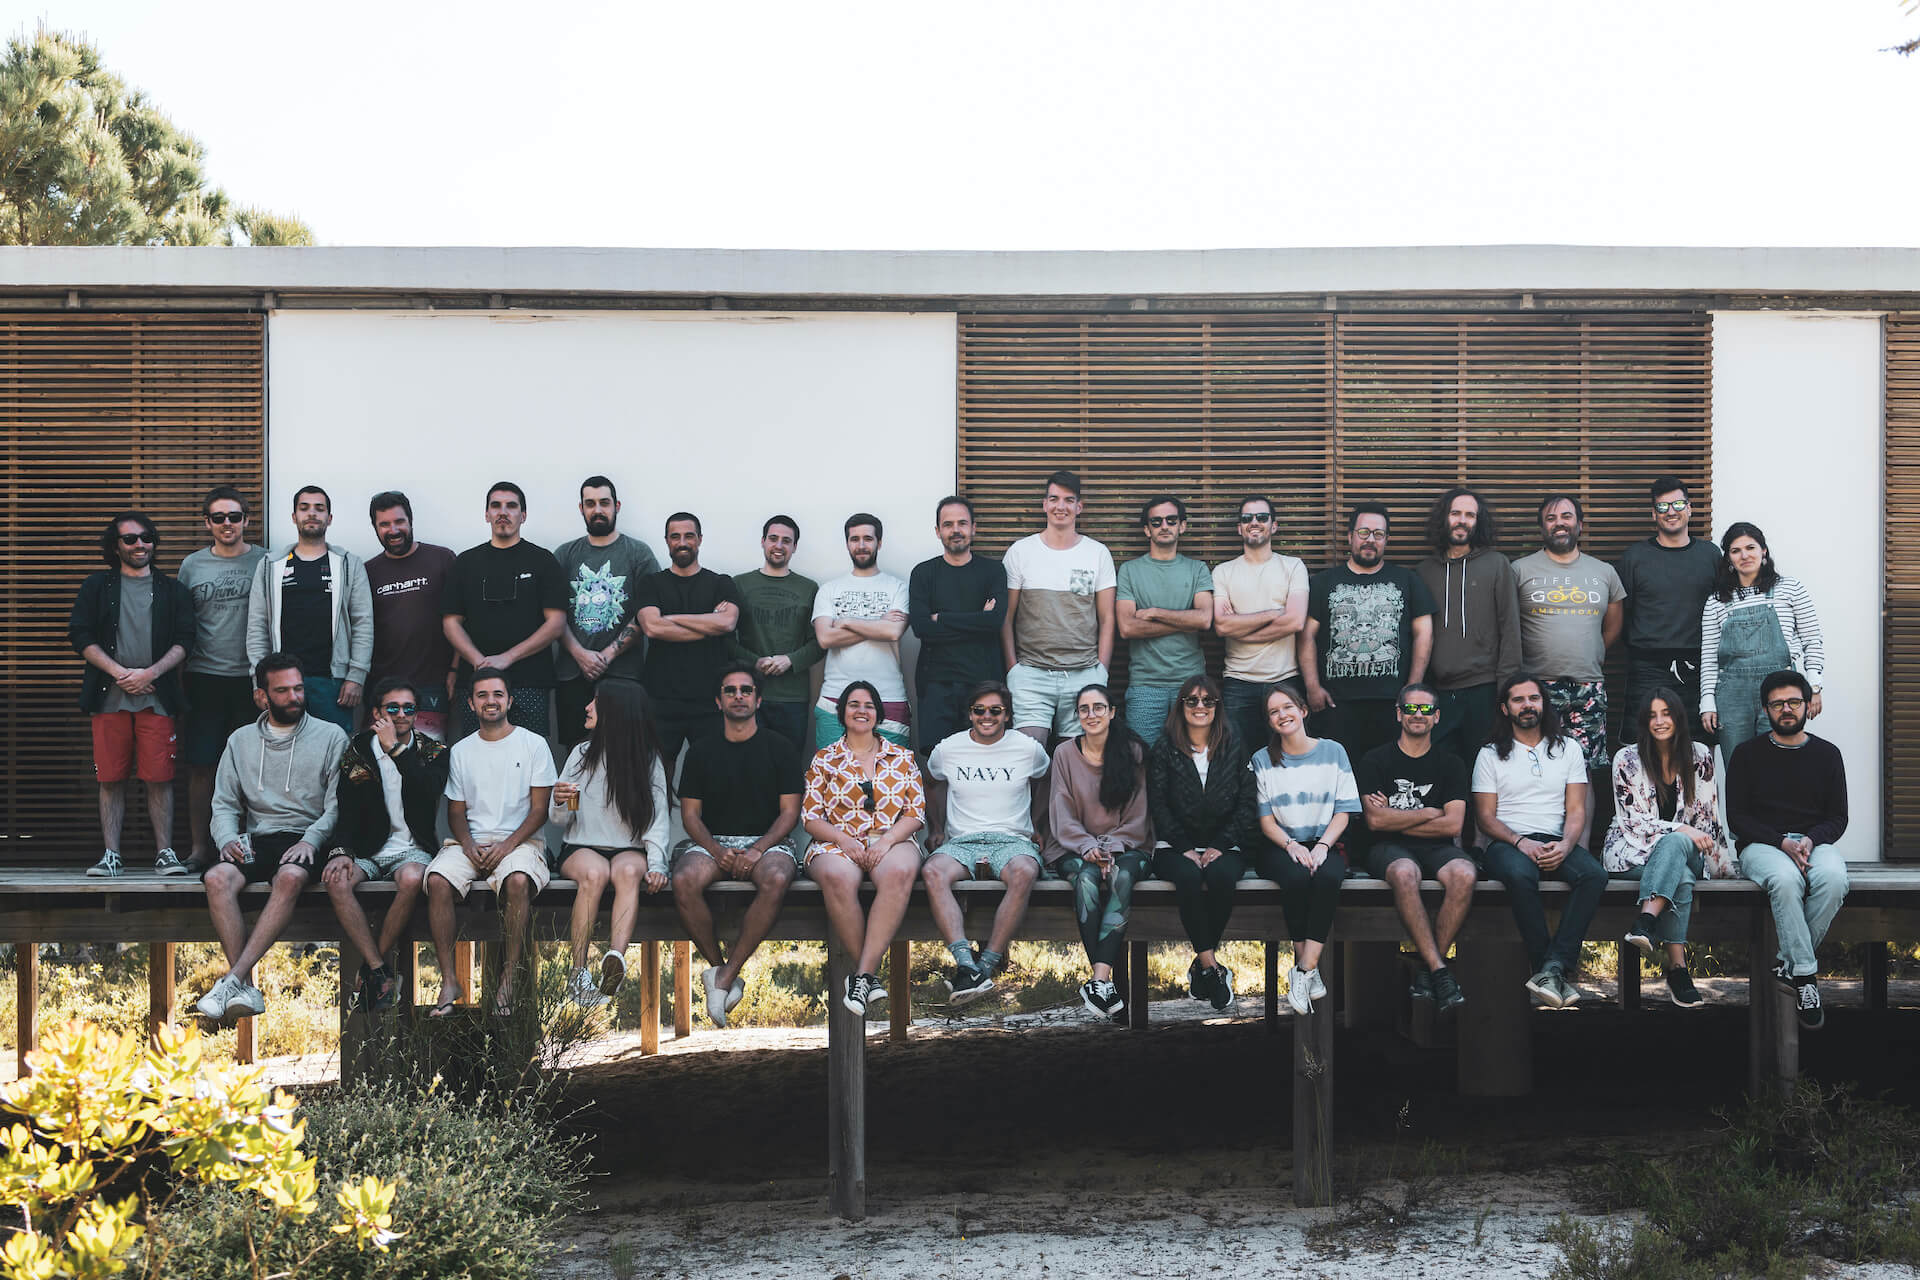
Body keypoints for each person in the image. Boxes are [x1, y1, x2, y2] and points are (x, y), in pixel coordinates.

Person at [195, 654, 348, 1024]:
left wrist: (312, 841)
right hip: (260, 837)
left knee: (291, 876)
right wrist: (227, 838)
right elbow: (225, 803)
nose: (295, 697)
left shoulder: (331, 736)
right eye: (283, 691)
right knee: (216, 878)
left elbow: (337, 806)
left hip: (310, 837)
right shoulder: (240, 741)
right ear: (261, 697)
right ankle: (244, 985)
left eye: (299, 688)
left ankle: (232, 980)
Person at [672, 664, 806, 1027]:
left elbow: (789, 813)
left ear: (758, 700)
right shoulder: (699, 752)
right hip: (713, 843)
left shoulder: (781, 749)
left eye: (746, 690)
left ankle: (725, 978)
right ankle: (720, 968)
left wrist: (757, 850)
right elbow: (690, 816)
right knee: (683, 879)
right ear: (718, 702)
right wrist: (718, 851)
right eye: (730, 691)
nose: (738, 696)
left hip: (768, 843)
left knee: (777, 877)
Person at [425, 670, 557, 1017]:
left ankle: (509, 976)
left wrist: (508, 845)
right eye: (482, 695)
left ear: (510, 700)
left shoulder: (533, 744)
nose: (491, 701)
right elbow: (456, 811)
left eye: (497, 694)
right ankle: (450, 979)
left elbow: (540, 810)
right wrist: (467, 845)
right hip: (471, 843)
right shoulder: (462, 750)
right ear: (471, 703)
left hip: (522, 843)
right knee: (437, 880)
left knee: (517, 881)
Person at [71, 510, 196, 877]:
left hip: (159, 697)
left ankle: (166, 853)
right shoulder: (97, 587)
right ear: (116, 546)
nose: (140, 544)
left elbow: (186, 640)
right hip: (108, 696)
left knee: (160, 777)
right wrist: (121, 673)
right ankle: (111, 855)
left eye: (146, 537)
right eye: (130, 539)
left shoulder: (173, 590)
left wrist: (151, 673)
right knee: (110, 778)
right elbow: (80, 635)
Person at [1472, 673, 1605, 1009]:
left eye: (1533, 698)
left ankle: (1553, 967)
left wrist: (1566, 844)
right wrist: (1521, 843)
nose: (1527, 705)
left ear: (1544, 704)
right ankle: (1547, 966)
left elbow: (1576, 811)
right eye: (1518, 700)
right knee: (1520, 875)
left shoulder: (1569, 748)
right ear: (1505, 708)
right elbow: (1485, 817)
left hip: (1556, 840)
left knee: (1594, 875)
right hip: (1508, 843)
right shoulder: (1489, 755)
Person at [1726, 670, 1851, 1030]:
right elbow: (1738, 818)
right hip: (1763, 845)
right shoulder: (1746, 755)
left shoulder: (1828, 755)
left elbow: (1839, 817)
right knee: (1785, 880)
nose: (1786, 709)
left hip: (1814, 841)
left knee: (1833, 877)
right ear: (1765, 710)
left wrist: (1810, 839)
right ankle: (1807, 978)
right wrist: (1781, 842)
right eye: (1778, 704)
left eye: (1794, 702)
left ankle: (1788, 964)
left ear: (1807, 705)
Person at [320, 677, 448, 1012]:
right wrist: (341, 852)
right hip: (368, 848)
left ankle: (370, 972)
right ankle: (379, 968)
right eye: (393, 708)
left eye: (409, 708)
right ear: (377, 712)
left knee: (410, 879)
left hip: (412, 847)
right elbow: (346, 807)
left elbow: (427, 791)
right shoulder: (358, 749)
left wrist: (396, 750)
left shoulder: (434, 751)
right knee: (336, 881)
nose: (402, 714)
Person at [923, 679, 1053, 1003]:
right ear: (970, 714)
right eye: (979, 710)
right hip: (962, 840)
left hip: (1011, 839)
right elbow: (931, 781)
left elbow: (1047, 779)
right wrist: (936, 826)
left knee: (1025, 871)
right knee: (932, 871)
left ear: (1007, 715)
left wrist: (1039, 824)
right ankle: (966, 963)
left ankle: (987, 964)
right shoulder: (948, 748)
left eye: (996, 710)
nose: (987, 716)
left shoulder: (1027, 748)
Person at [1605, 687, 1735, 1010]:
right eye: (1652, 715)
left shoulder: (1700, 756)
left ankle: (1646, 922)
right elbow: (1633, 821)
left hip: (1684, 850)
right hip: (1629, 847)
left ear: (1678, 717)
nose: (1660, 721)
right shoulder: (1627, 759)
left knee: (1677, 847)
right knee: (1682, 871)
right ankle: (1677, 969)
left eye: (1666, 714)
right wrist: (1682, 830)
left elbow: (1708, 816)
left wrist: (1720, 866)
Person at [802, 681, 927, 1016]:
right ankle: (868, 977)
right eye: (853, 704)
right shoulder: (825, 759)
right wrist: (844, 841)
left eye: (869, 705)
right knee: (838, 877)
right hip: (836, 840)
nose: (861, 710)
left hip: (891, 839)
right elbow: (810, 817)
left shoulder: (902, 757)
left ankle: (861, 975)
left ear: (879, 714)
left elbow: (915, 813)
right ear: (842, 713)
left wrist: (886, 841)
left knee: (900, 871)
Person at [1354, 682, 1476, 1016]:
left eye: (1425, 709)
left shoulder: (1450, 764)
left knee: (1465, 874)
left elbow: (1453, 825)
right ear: (1399, 714)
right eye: (1410, 708)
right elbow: (1375, 823)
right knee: (1406, 873)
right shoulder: (1374, 760)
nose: (1417, 714)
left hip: (1438, 848)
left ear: (1437, 717)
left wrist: (1395, 815)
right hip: (1387, 848)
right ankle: (1439, 969)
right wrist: (1426, 812)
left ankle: (1428, 968)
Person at [551, 680, 670, 1009]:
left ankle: (615, 958)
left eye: (595, 702)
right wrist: (560, 801)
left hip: (628, 849)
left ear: (615, 712)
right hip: (582, 846)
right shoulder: (580, 754)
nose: (587, 707)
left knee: (630, 870)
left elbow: (657, 820)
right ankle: (578, 973)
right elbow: (563, 821)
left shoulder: (648, 760)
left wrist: (657, 865)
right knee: (594, 873)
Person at [1147, 674, 1258, 1012]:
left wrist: (1222, 844)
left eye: (1207, 701)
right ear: (1181, 706)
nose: (1200, 706)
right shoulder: (1165, 746)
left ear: (1217, 707)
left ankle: (1202, 965)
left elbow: (1248, 801)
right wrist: (1183, 846)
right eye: (1192, 700)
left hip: (1224, 844)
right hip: (1174, 845)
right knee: (1190, 877)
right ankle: (1211, 966)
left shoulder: (1234, 743)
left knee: (1223, 877)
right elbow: (1158, 803)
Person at [1043, 684, 1151, 1023]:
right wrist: (1089, 847)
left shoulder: (1132, 752)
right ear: (1077, 715)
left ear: (1113, 712)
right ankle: (1103, 983)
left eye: (1098, 708)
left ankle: (1099, 981)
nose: (1091, 715)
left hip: (1128, 844)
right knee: (1086, 881)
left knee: (1121, 876)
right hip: (1072, 844)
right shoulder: (1063, 753)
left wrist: (1110, 848)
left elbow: (1138, 816)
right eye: (1084, 709)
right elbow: (1060, 810)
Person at [1250, 682, 1358, 1016]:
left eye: (1287, 707)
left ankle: (1303, 969)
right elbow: (1266, 822)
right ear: (1269, 722)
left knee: (1327, 879)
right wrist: (1292, 845)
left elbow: (1344, 810)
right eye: (1273, 712)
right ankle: (1309, 971)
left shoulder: (1333, 751)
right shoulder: (1262, 759)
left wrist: (1323, 845)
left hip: (1326, 841)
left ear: (1303, 710)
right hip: (1280, 845)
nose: (1282, 715)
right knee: (1296, 879)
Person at [1300, 503, 1435, 769]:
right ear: (1350, 536)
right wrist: (1312, 687)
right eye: (1363, 532)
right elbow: (1306, 637)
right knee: (1340, 775)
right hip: (1336, 703)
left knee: (1386, 776)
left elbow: (1424, 634)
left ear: (1386, 540)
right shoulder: (1323, 582)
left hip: (1391, 702)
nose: (1370, 540)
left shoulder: (1407, 580)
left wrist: (1412, 688)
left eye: (1378, 534)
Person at [1511, 494, 1626, 791]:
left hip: (1588, 685)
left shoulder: (1604, 572)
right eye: (1550, 518)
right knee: (1532, 769)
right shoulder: (1519, 570)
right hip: (1535, 689)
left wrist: (1587, 651)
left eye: (1566, 517)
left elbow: (1613, 627)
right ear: (1541, 528)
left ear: (1580, 525)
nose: (1559, 523)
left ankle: (1581, 841)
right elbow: (1506, 627)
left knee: (1582, 774)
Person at [179, 486, 267, 866]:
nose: (227, 523)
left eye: (234, 516)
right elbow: (180, 622)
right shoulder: (192, 566)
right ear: (207, 523)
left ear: (247, 520)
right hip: (204, 677)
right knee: (202, 765)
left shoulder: (266, 561)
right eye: (219, 517)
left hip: (250, 679)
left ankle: (248, 849)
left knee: (252, 767)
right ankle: (201, 847)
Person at [442, 482, 567, 738]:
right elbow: (451, 623)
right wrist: (481, 663)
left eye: (511, 506)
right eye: (495, 505)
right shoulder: (465, 563)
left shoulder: (543, 561)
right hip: (477, 683)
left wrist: (506, 658)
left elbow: (556, 623)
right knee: (477, 761)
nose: (503, 512)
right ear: (486, 514)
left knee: (529, 760)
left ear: (523, 515)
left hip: (529, 682)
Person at [245, 485, 373, 734]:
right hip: (282, 683)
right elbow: (257, 625)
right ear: (294, 517)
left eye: (319, 508)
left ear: (330, 518)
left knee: (336, 760)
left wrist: (356, 677)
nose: (312, 514)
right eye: (304, 508)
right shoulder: (272, 565)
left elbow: (363, 623)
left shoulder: (348, 564)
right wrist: (258, 681)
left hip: (333, 684)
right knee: (283, 756)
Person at [1001, 471, 1115, 743]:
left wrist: (1102, 669)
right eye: (1054, 499)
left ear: (1079, 507)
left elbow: (1107, 618)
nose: (1060, 506)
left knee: (1077, 759)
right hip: (1031, 675)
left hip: (1084, 674)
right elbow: (1006, 617)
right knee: (1029, 758)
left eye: (1068, 500)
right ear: (1044, 504)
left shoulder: (1097, 553)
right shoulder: (1021, 551)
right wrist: (1012, 668)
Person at [1414, 486, 1520, 774]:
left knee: (1485, 774)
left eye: (1470, 515)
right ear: (1444, 518)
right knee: (1442, 773)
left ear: (1478, 522)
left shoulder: (1497, 565)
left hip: (1484, 692)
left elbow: (1510, 629)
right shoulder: (1424, 571)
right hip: (1439, 694)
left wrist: (1505, 691)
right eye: (1456, 513)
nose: (1462, 520)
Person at [624, 512, 741, 770]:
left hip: (710, 700)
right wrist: (707, 624)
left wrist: (672, 618)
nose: (682, 542)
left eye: (689, 536)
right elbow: (653, 627)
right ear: (667, 541)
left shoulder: (721, 583)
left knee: (712, 775)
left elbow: (727, 623)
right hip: (660, 699)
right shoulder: (651, 583)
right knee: (656, 778)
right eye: (675, 537)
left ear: (699, 539)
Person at [1700, 522, 1825, 758]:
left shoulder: (1791, 588)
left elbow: (1812, 640)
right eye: (1736, 551)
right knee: (1739, 768)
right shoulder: (1716, 601)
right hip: (1732, 699)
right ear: (1728, 558)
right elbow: (1708, 658)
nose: (1744, 555)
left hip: (1781, 693)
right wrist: (1707, 703)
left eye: (1751, 547)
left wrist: (1814, 686)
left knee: (1782, 765)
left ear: (1763, 551)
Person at [554, 475, 660, 747]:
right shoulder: (564, 555)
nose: (597, 510)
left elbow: (647, 613)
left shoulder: (639, 553)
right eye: (590, 503)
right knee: (576, 756)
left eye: (604, 502)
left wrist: (607, 654)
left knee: (624, 753)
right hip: (572, 674)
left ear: (617, 506)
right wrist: (581, 655)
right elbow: (553, 615)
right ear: (581, 509)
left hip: (624, 675)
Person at [1616, 478, 1719, 737]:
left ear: (1690, 508)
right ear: (1653, 514)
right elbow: (1621, 614)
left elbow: (1722, 609)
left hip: (1699, 664)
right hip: (1647, 665)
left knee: (1698, 748)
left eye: (1677, 504)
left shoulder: (1710, 555)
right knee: (1641, 749)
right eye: (1662, 507)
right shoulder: (1635, 557)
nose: (1671, 511)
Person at [908, 495, 1007, 753]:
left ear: (974, 528)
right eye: (948, 524)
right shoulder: (923, 573)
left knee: (985, 760)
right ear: (938, 531)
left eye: (962, 523)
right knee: (937, 767)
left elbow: (994, 623)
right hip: (935, 686)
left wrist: (941, 618)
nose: (955, 530)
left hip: (984, 686)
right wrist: (977, 619)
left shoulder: (993, 571)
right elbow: (920, 627)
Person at [1212, 494, 1309, 753]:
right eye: (1247, 518)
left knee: (1288, 759)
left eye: (1262, 517)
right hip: (1238, 681)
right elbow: (1222, 627)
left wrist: (1241, 627)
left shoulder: (1293, 567)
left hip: (1285, 679)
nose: (1254, 522)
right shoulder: (1223, 572)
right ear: (1239, 528)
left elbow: (1296, 621)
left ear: (1273, 525)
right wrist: (1273, 613)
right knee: (1239, 761)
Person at [1115, 495, 1214, 745]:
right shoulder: (1130, 570)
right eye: (1156, 522)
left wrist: (1155, 612)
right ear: (1147, 530)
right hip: (1145, 684)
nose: (1164, 526)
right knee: (1142, 760)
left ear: (1182, 525)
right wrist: (1183, 620)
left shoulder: (1198, 569)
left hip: (1191, 683)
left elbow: (1204, 619)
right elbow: (1127, 627)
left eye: (1171, 520)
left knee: (1193, 757)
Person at [363, 491, 458, 741]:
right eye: (384, 524)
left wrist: (455, 670)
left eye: (399, 522)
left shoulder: (442, 559)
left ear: (410, 521)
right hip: (383, 689)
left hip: (433, 684)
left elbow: (463, 618)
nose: (393, 530)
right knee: (381, 763)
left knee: (428, 761)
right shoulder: (367, 572)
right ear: (375, 527)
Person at [812, 513, 911, 748]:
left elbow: (894, 632)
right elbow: (825, 638)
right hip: (834, 698)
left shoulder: (898, 587)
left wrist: (845, 622)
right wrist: (879, 623)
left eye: (868, 538)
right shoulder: (829, 589)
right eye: (854, 539)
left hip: (889, 697)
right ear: (847, 543)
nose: (862, 545)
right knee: (832, 777)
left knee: (892, 778)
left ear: (879, 542)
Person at [731, 514, 824, 751]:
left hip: (792, 697)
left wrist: (790, 660)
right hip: (748, 693)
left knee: (789, 765)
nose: (779, 546)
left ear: (794, 547)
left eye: (786, 541)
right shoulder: (739, 584)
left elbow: (819, 643)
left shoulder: (809, 588)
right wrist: (755, 662)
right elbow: (725, 640)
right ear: (762, 541)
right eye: (773, 538)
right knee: (748, 766)